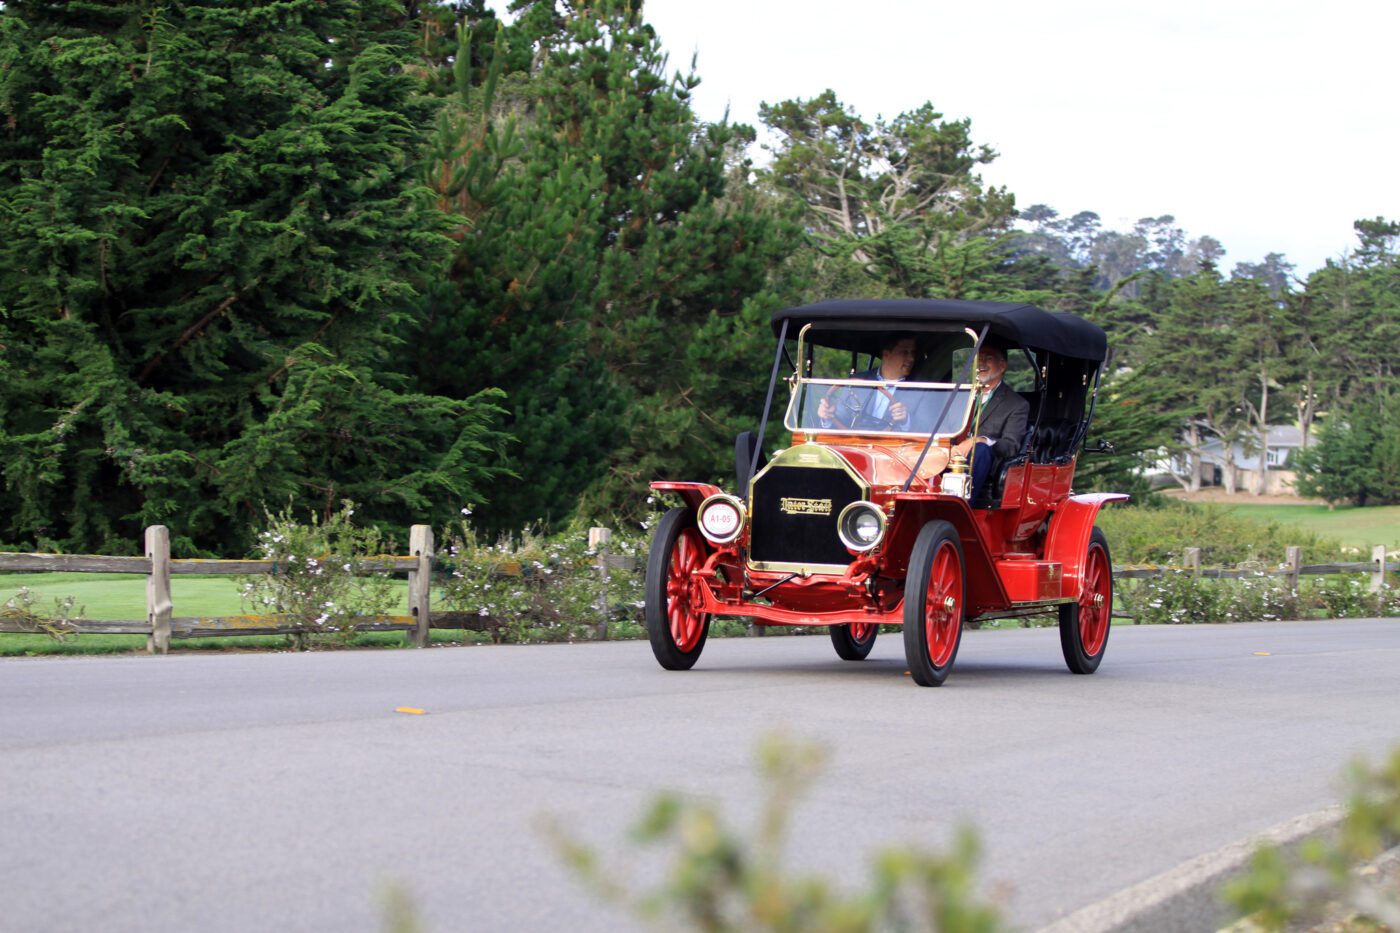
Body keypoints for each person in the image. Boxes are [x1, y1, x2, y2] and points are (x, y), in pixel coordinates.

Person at [951, 342, 1030, 501]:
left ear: (1002, 366)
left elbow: (1011, 446)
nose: (981, 363)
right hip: (951, 456)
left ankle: (960, 505)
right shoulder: (959, 396)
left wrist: (979, 440)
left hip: (984, 463)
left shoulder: (1016, 404)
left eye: (988, 358)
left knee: (980, 449)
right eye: (978, 358)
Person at [817, 334, 918, 431]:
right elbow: (841, 420)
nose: (911, 359)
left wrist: (905, 420)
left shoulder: (920, 389)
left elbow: (926, 429)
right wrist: (827, 416)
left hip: (895, 447)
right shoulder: (856, 382)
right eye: (904, 353)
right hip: (854, 445)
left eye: (913, 353)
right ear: (886, 354)